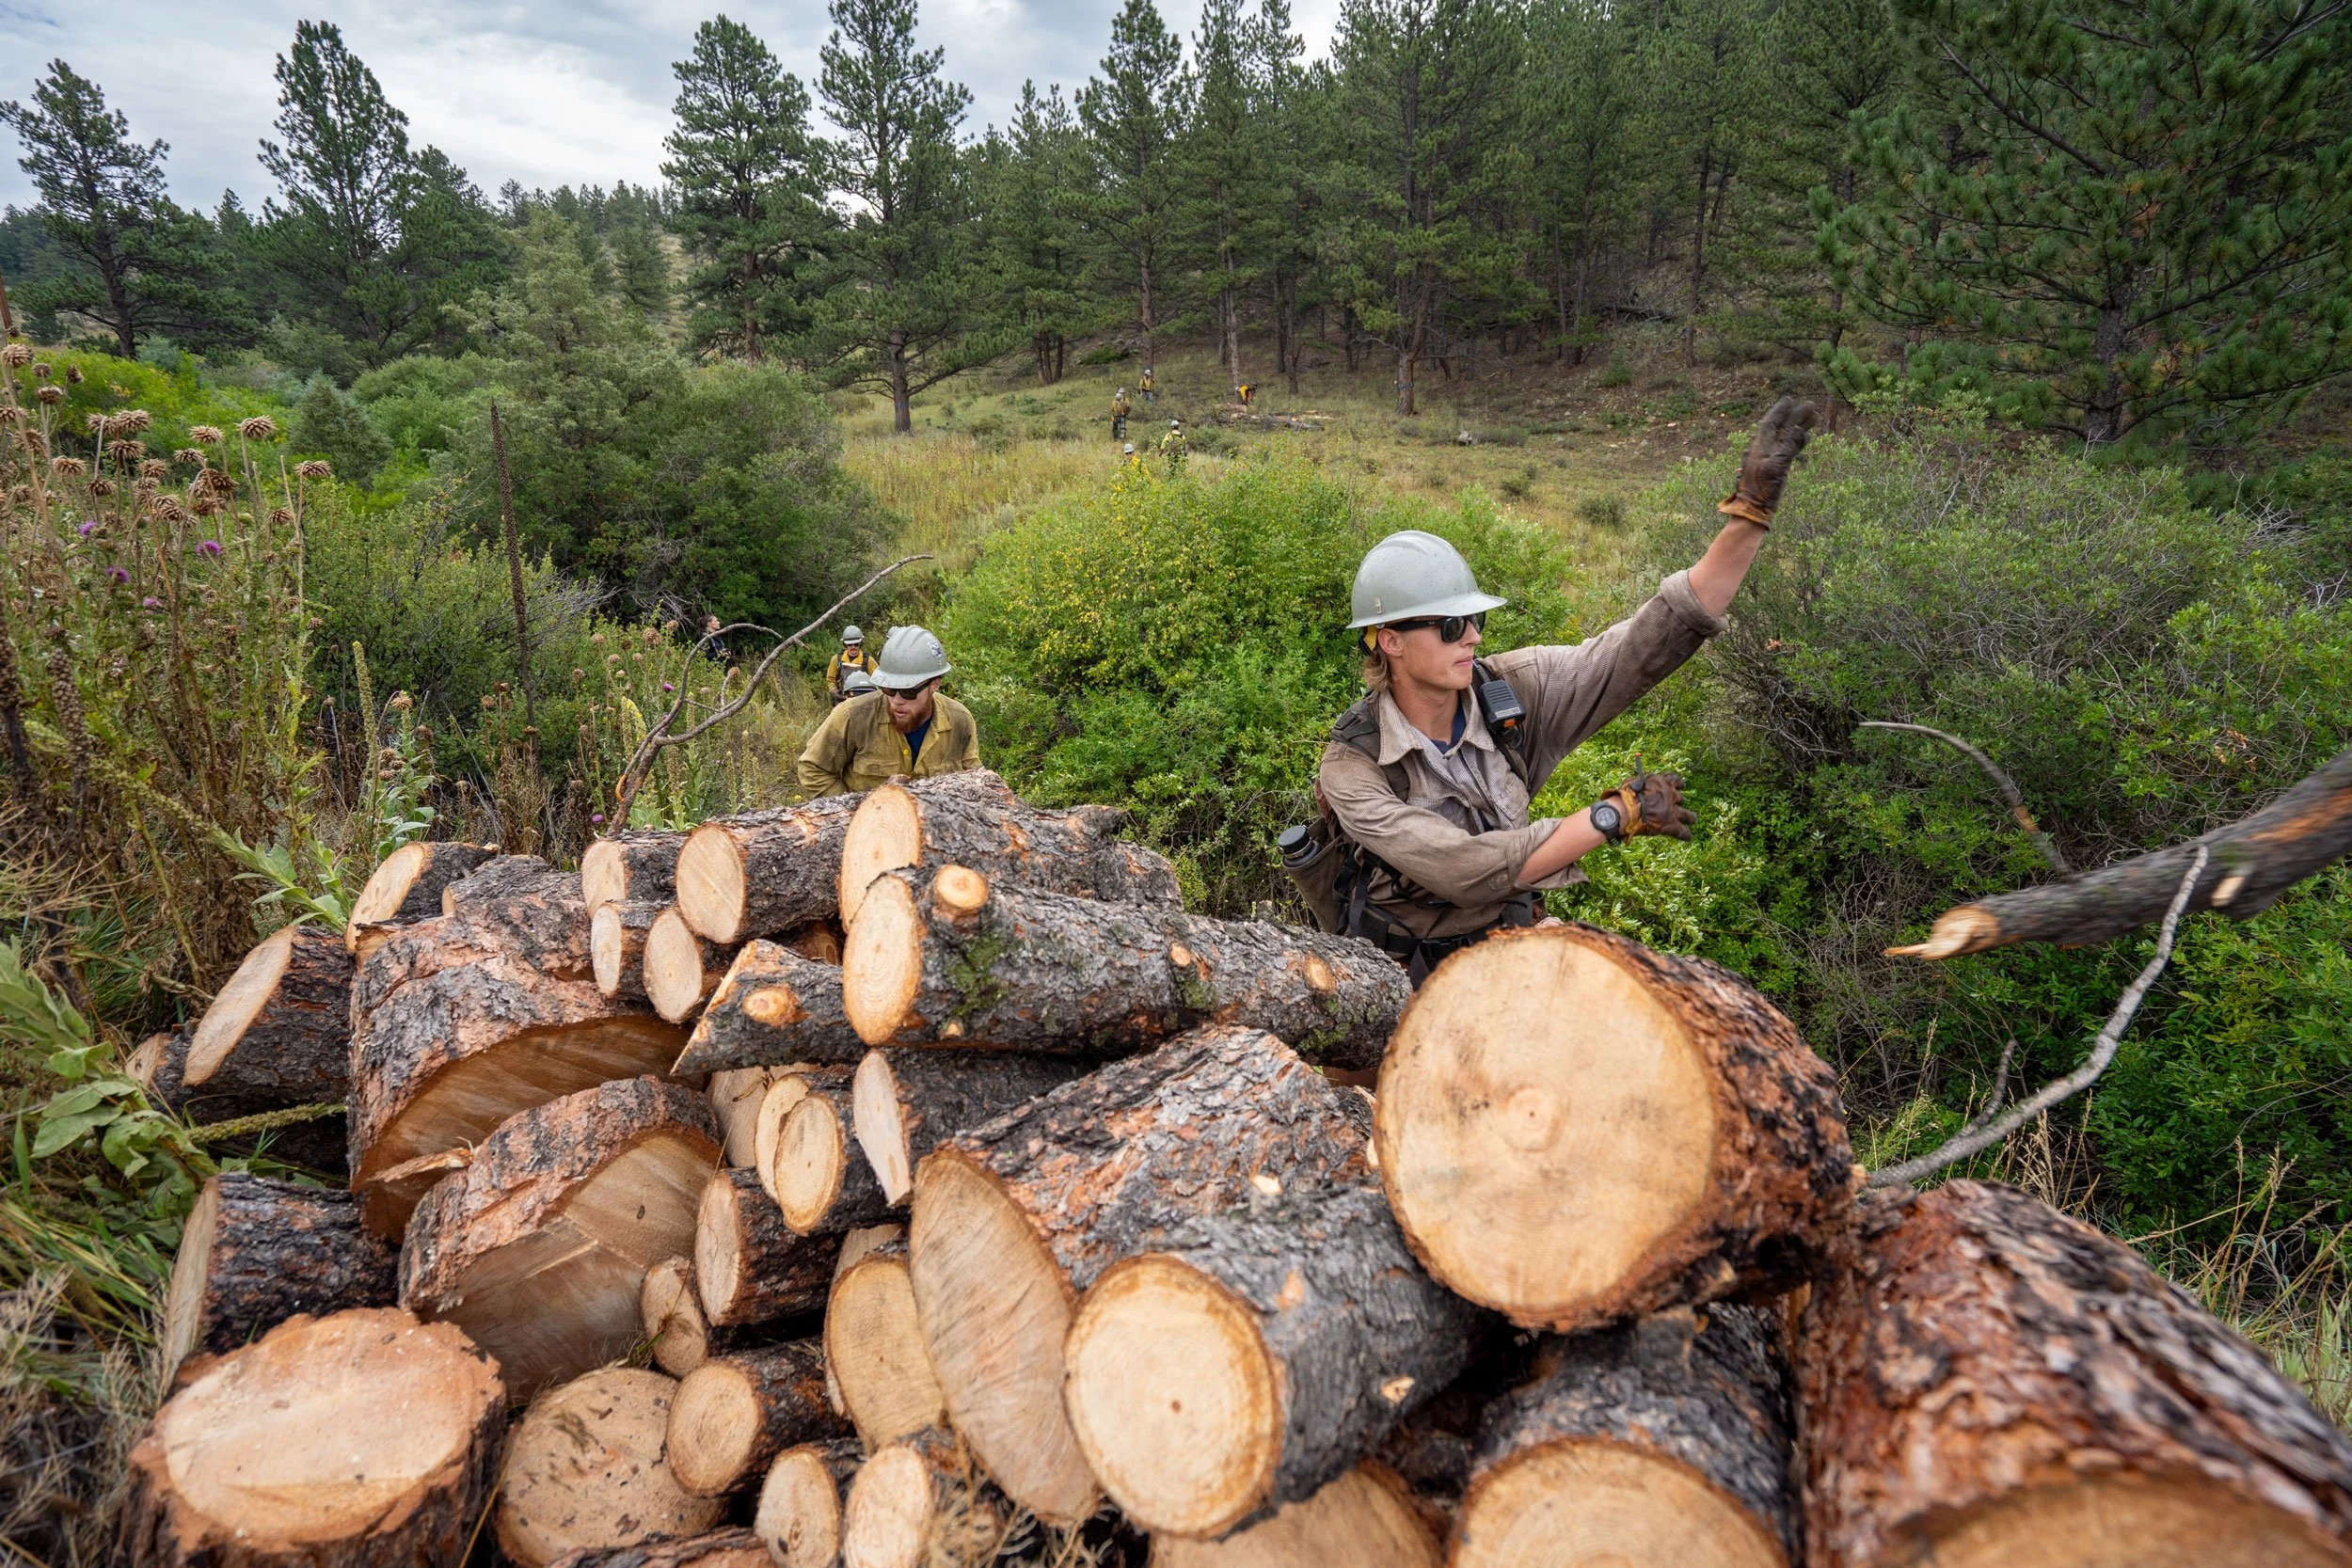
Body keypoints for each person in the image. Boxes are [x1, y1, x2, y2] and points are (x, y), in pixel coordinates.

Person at [1313, 399, 1818, 982]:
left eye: (1475, 620)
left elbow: (1643, 647)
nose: (1472, 636)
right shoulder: (1352, 766)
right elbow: (1460, 869)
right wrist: (1614, 814)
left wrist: (1749, 516)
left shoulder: (1512, 691)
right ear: (1390, 642)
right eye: (1451, 626)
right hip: (1404, 974)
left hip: (1508, 941)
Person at [797, 626, 982, 797]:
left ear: (934, 684)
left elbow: (973, 781)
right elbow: (813, 768)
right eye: (889, 689)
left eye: (908, 692)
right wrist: (854, 813)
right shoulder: (852, 716)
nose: (896, 701)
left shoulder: (960, 721)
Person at [826, 626, 870, 703]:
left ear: (861, 644)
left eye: (856, 644)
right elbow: (831, 679)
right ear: (845, 644)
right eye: (850, 645)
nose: (853, 647)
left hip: (863, 702)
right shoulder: (837, 659)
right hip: (842, 701)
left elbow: (878, 680)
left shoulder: (868, 660)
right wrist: (834, 691)